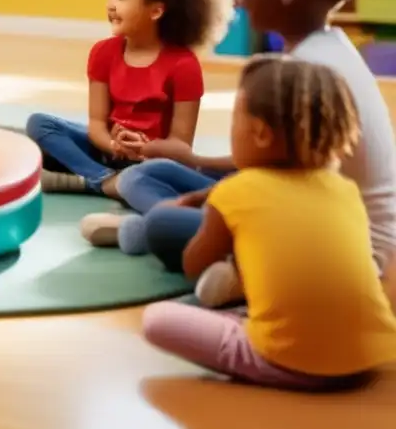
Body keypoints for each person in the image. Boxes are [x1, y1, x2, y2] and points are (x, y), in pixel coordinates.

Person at [106, 0, 396, 306]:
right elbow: (269, 170)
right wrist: (195, 164)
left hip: (335, 247)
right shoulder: (321, 50)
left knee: (163, 224)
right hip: (298, 204)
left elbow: (281, 191)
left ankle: (237, 271)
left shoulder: (311, 76)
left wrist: (201, 202)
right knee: (147, 175)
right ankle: (185, 229)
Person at [142, 55, 396, 391]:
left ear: (260, 134)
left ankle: (254, 325)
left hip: (288, 362)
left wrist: (231, 239)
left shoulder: (235, 191)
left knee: (157, 319)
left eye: (235, 118)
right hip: (369, 359)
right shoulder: (345, 189)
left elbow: (193, 263)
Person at [26, 0, 233, 196]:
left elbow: (180, 145)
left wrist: (144, 148)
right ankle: (105, 181)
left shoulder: (184, 66)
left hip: (152, 161)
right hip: (106, 153)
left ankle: (93, 181)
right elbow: (96, 125)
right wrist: (114, 146)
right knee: (39, 124)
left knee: (157, 179)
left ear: (156, 11)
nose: (111, 5)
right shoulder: (103, 53)